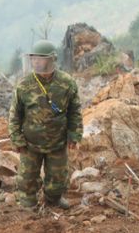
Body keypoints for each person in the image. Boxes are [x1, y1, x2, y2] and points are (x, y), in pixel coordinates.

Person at [8, 39, 83, 209]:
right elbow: (14, 115)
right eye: (34, 58)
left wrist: (74, 134)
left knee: (58, 179)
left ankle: (53, 200)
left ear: (51, 60)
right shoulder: (24, 85)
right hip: (30, 144)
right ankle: (28, 203)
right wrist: (16, 139)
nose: (36, 62)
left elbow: (75, 111)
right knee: (27, 179)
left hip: (57, 143)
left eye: (40, 59)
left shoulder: (66, 83)